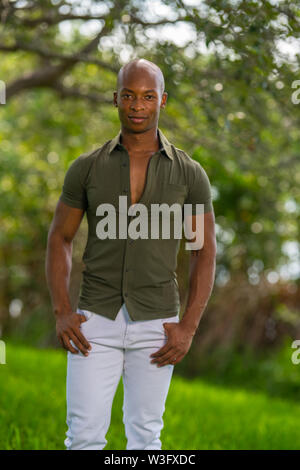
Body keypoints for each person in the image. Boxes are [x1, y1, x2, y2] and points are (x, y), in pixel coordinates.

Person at [45, 58, 216, 450]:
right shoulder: (86, 168)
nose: (137, 105)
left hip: (157, 324)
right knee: (83, 436)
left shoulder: (189, 174)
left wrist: (188, 326)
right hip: (95, 323)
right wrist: (62, 311)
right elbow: (60, 238)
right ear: (116, 100)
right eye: (128, 96)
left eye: (147, 96)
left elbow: (202, 252)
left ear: (163, 101)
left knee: (145, 437)